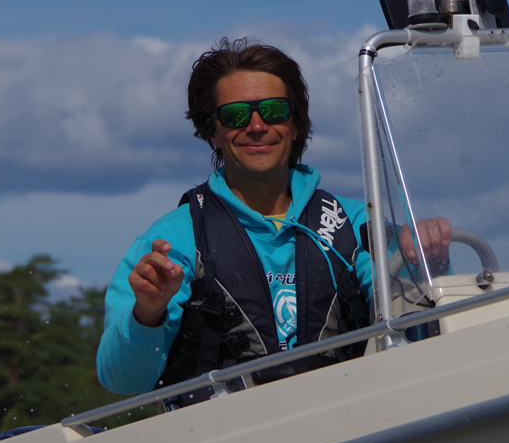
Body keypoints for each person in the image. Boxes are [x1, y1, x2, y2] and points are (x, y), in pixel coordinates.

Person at [97, 38, 451, 398]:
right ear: (213, 132)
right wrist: (148, 313)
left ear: (295, 125)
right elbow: (122, 382)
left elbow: (425, 339)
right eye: (236, 115)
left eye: (274, 110)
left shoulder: (356, 223)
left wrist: (428, 263)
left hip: (348, 412)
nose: (256, 125)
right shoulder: (172, 241)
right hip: (226, 428)